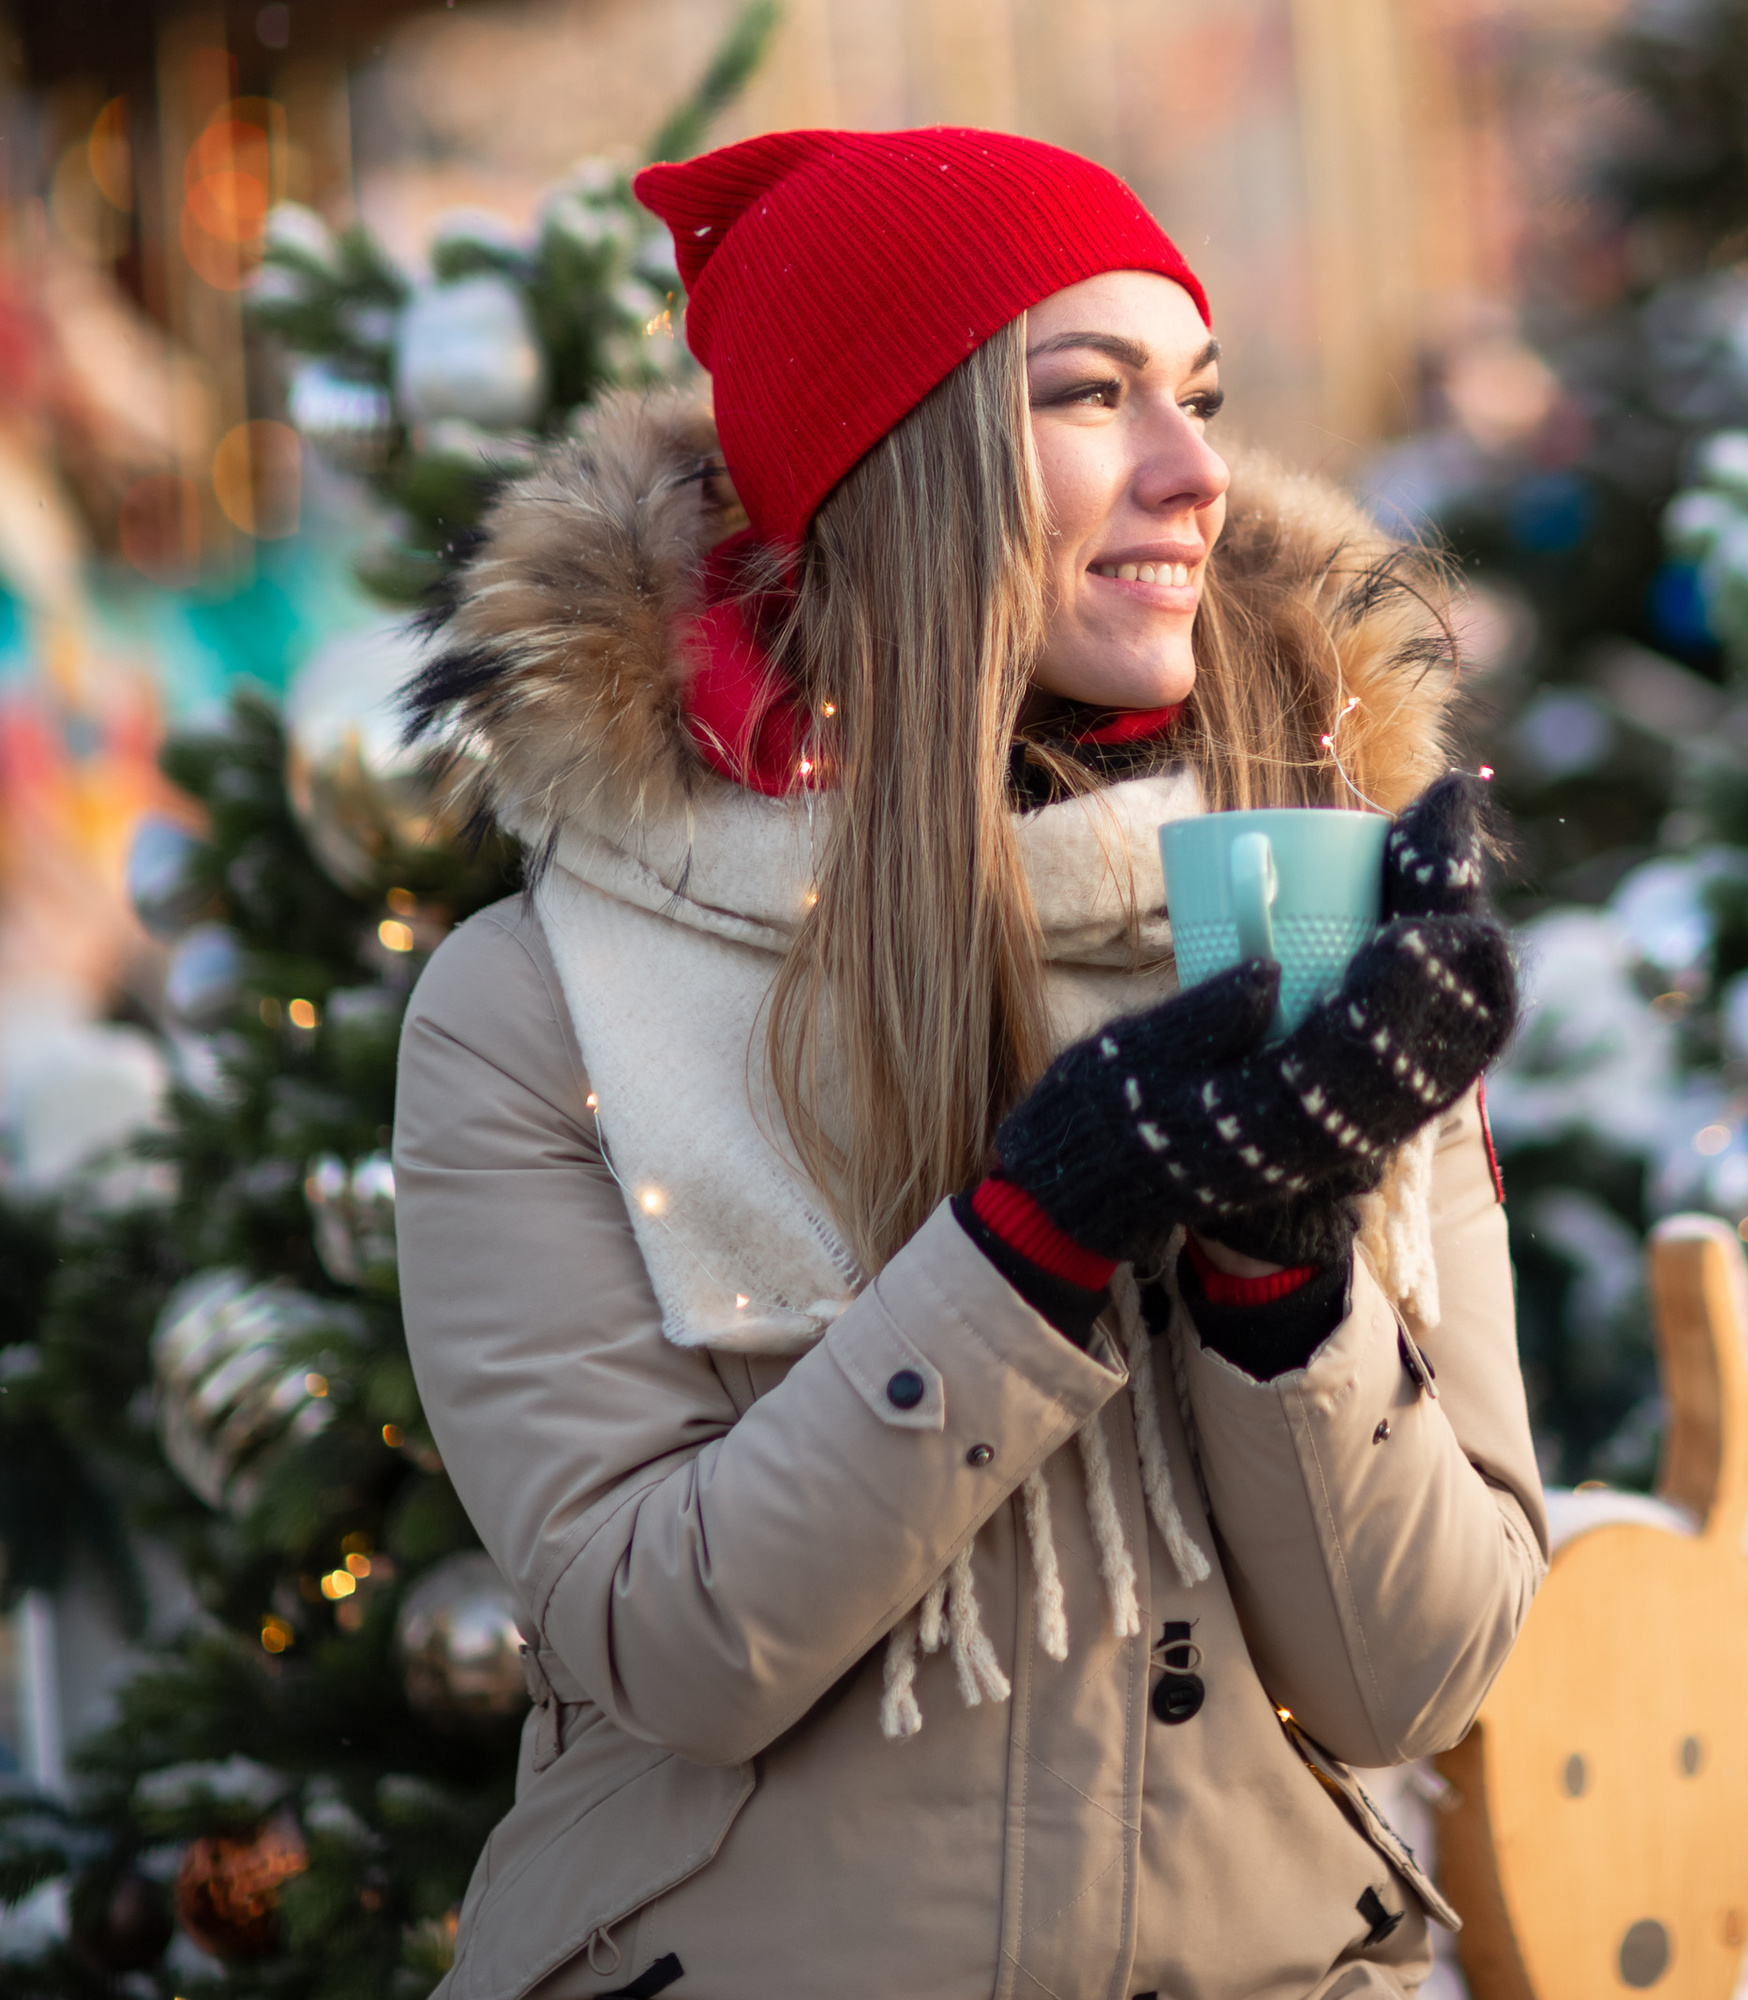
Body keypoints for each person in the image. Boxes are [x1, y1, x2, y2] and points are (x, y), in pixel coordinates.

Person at [392, 125, 1542, 2000]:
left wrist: (1283, 1277)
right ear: (894, 474)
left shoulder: (1311, 926)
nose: (1195, 469)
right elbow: (673, 1649)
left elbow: (1415, 1675)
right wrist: (1034, 1237)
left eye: (1200, 397)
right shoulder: (543, 999)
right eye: (1091, 395)